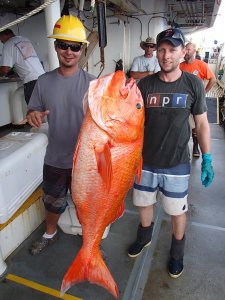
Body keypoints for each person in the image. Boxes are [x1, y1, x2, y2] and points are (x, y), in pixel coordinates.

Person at [128, 28, 214, 279]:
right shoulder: (145, 85)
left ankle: (177, 252)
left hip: (177, 163)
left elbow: (202, 124)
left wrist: (207, 157)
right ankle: (144, 237)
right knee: (143, 204)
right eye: (162, 49)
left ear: (182, 52)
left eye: (172, 50)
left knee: (177, 211)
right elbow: (132, 122)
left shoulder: (193, 84)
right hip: (144, 161)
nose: (166, 55)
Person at [26, 15, 95, 255]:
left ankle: (91, 242)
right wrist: (33, 115)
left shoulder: (93, 84)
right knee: (52, 202)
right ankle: (50, 233)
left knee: (87, 205)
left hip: (86, 162)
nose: (68, 51)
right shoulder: (43, 82)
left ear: (82, 49)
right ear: (55, 46)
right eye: (63, 44)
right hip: (55, 157)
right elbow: (32, 110)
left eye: (74, 46)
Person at [180, 42, 216, 157]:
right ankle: (181, 147)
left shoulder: (201, 65)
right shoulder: (180, 66)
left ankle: (196, 147)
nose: (186, 51)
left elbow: (213, 79)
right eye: (185, 49)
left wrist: (204, 92)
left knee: (196, 126)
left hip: (196, 101)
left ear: (194, 51)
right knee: (182, 124)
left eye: (189, 49)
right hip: (183, 100)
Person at [0, 29, 45, 105]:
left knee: (34, 113)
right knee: (48, 110)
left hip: (32, 82)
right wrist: (18, 74)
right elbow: (27, 61)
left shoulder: (8, 44)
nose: (2, 42)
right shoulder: (25, 40)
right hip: (44, 78)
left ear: (5, 34)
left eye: (1, 40)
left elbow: (4, 70)